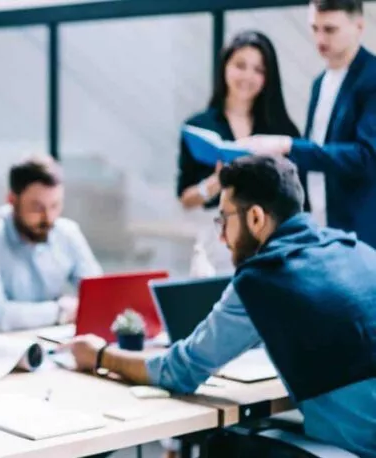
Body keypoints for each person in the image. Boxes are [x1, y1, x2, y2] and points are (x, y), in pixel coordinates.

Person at [63, 155, 376, 457]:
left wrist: (100, 355)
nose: (222, 236)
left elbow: (179, 372)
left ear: (255, 217)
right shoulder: (357, 250)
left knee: (225, 444)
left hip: (354, 451)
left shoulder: (264, 279)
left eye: (224, 219)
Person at [239, 0, 376, 248]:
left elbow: (366, 156)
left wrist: (288, 145)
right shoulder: (320, 82)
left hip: (361, 231)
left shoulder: (372, 77)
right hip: (320, 226)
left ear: (359, 26)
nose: (320, 38)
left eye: (330, 29)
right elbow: (317, 154)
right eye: (314, 28)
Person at [178, 30, 310, 275]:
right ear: (225, 67)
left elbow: (300, 196)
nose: (248, 76)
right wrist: (218, 182)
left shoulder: (280, 130)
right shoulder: (199, 126)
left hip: (270, 239)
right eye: (240, 65)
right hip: (218, 238)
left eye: (258, 70)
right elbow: (185, 198)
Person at [0, 155, 102, 332]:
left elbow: (100, 298)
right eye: (37, 208)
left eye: (55, 205)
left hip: (53, 341)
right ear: (11, 200)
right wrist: (60, 311)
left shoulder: (66, 232)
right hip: (3, 350)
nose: (48, 218)